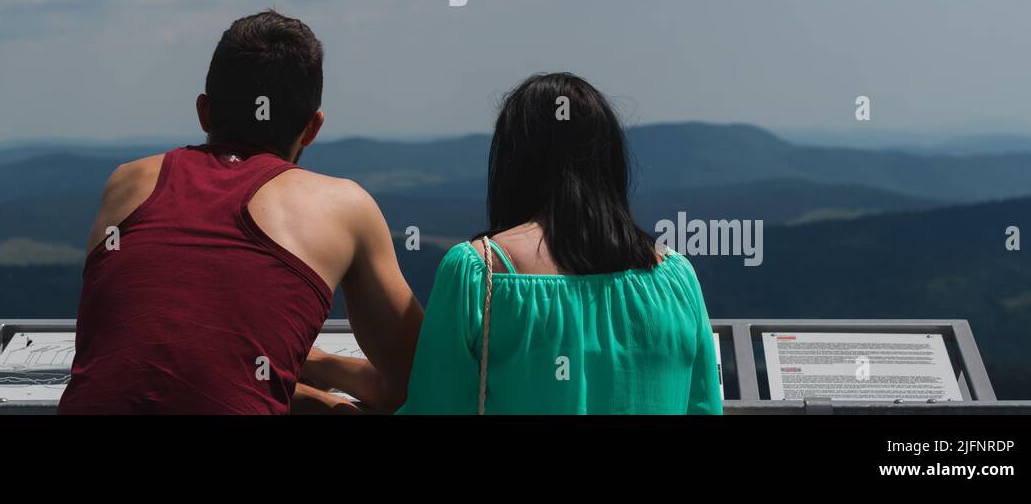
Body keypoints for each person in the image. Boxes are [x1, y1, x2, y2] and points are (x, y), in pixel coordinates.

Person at [59, 10, 421, 414]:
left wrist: (305, 375)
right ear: (313, 128)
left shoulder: (125, 183)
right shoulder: (346, 207)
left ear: (204, 112)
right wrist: (323, 374)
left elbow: (148, 367)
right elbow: (422, 382)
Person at [305, 72, 723, 414]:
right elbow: (703, 406)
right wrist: (326, 369)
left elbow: (435, 406)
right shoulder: (677, 278)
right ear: (610, 161)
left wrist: (323, 403)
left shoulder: (478, 273)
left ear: (511, 164)